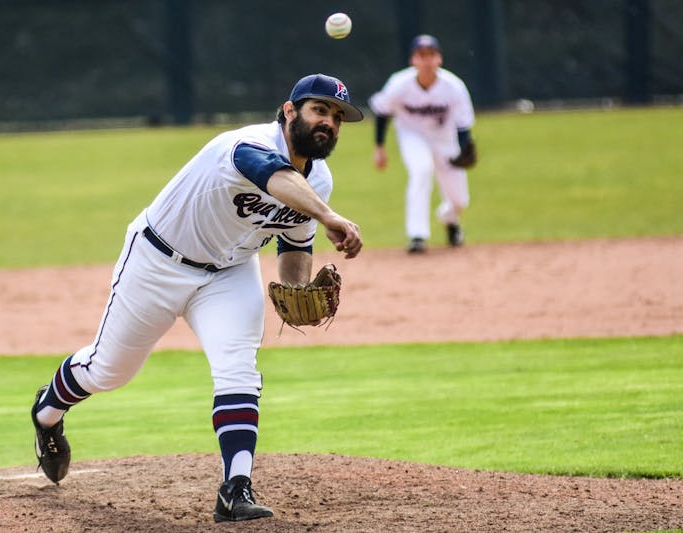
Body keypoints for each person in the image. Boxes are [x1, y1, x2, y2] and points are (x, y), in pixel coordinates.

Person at [30, 73, 364, 523]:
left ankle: (235, 488)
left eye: (338, 117)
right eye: (319, 110)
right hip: (158, 261)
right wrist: (330, 216)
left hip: (230, 272)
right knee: (109, 370)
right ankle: (47, 413)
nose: (329, 122)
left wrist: (299, 289)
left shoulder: (318, 181)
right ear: (289, 112)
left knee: (238, 365)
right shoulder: (245, 144)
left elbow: (295, 244)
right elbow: (273, 176)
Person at [369, 34, 477, 254]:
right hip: (412, 136)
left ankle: (450, 219)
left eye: (431, 55)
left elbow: (464, 125)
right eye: (421, 55)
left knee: (460, 200)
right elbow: (382, 112)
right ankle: (417, 235)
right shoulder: (399, 83)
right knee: (421, 170)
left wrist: (465, 147)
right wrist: (379, 147)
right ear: (413, 60)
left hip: (445, 139)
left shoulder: (453, 87)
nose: (426, 60)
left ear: (439, 59)